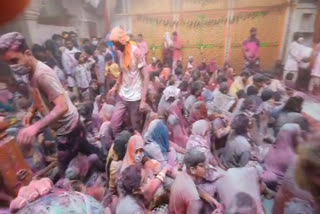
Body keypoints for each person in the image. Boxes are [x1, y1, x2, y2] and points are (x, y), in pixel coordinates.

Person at [0, 32, 104, 175]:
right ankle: (102, 160)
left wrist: (36, 127)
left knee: (63, 169)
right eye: (8, 63)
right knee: (85, 146)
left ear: (28, 53)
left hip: (68, 129)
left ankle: (100, 167)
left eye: (14, 60)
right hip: (68, 125)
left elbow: (62, 106)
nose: (13, 67)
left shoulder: (42, 75)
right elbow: (39, 97)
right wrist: (32, 111)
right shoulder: (30, 72)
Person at [108, 26, 149, 138]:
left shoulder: (137, 53)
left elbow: (146, 76)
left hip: (135, 97)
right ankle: (120, 148)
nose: (115, 47)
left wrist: (143, 100)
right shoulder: (120, 53)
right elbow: (122, 71)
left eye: (116, 44)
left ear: (122, 42)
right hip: (122, 95)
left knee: (136, 128)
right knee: (114, 125)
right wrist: (115, 86)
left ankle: (137, 151)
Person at [262, 124, 302, 191]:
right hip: (279, 187)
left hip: (265, 179)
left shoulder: (272, 147)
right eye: (298, 135)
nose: (299, 138)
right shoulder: (294, 157)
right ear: (294, 137)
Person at [169, 150, 207, 214]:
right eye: (201, 166)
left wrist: (209, 198)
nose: (206, 167)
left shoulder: (182, 174)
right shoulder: (194, 198)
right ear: (192, 169)